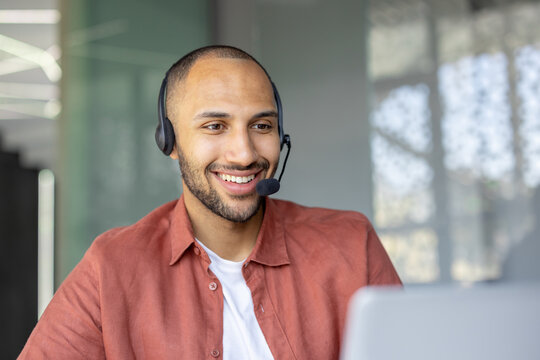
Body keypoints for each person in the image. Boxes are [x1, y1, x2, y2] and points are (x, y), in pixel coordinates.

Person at [19, 45, 401, 359]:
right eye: (215, 126)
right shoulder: (112, 267)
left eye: (262, 126)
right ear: (169, 142)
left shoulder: (351, 243)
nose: (244, 153)